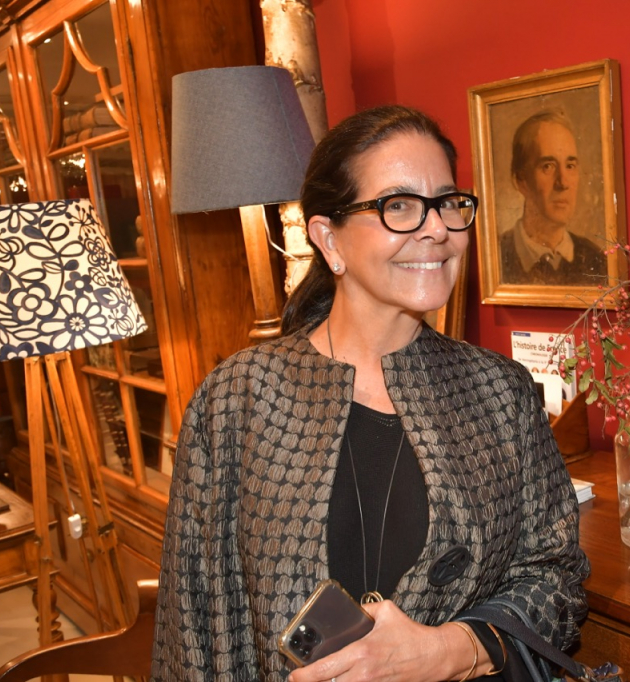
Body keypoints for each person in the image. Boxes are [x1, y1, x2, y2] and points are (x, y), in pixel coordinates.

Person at [152, 105, 590, 682]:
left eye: (447, 203)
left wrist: (451, 650)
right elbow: (192, 626)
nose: (437, 229)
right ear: (328, 239)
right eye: (398, 205)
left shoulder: (500, 392)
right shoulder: (237, 400)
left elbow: (557, 577)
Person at [498, 110, 606, 286]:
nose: (563, 183)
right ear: (521, 180)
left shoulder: (596, 259)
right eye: (548, 166)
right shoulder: (498, 254)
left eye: (570, 166)